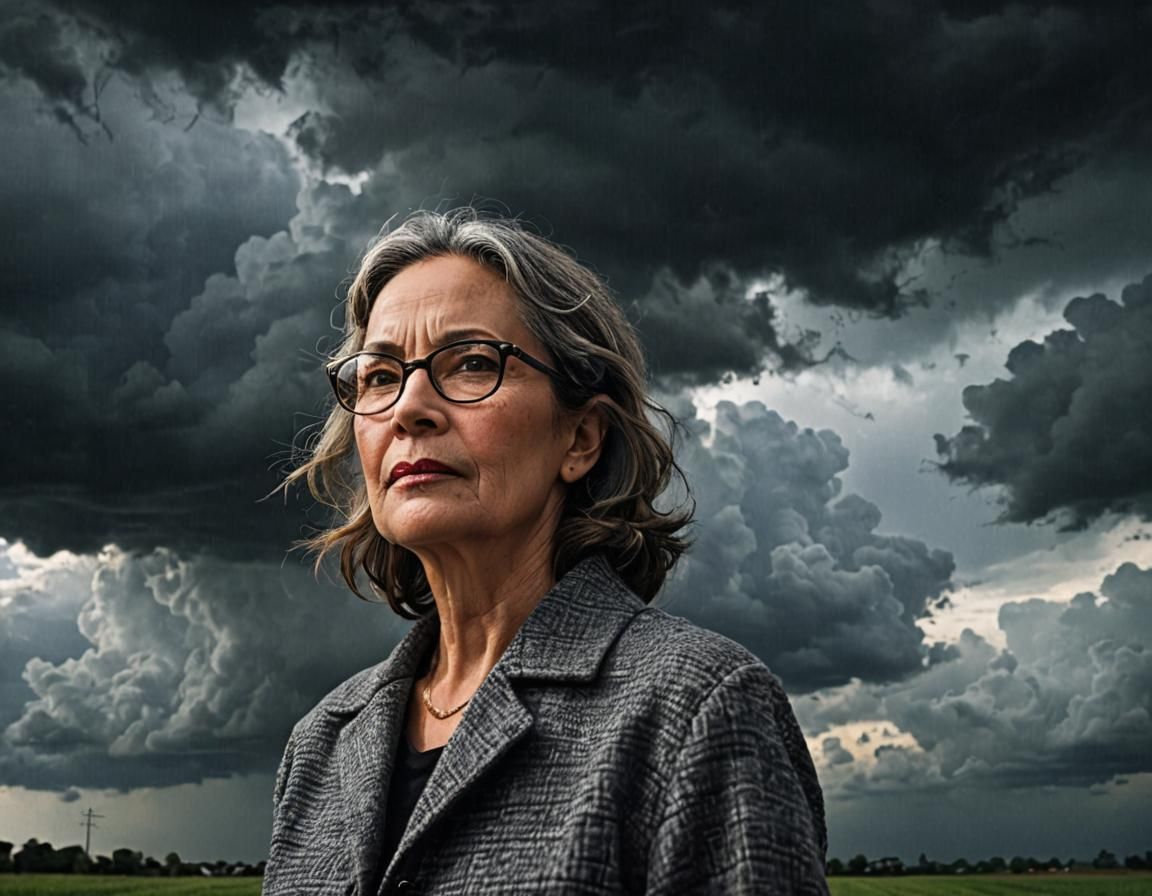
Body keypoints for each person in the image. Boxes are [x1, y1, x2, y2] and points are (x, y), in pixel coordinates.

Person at [263, 209, 828, 895]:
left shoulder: (700, 708)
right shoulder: (321, 742)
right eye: (380, 376)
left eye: (471, 363)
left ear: (581, 438)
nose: (409, 407)